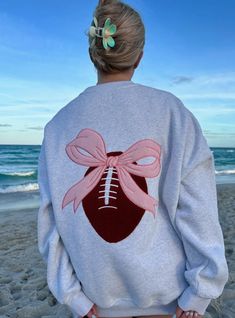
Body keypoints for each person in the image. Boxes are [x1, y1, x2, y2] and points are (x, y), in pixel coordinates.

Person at [37, 0, 229, 318]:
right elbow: (198, 210)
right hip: (173, 302)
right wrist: (201, 290)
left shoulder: (58, 125)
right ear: (139, 56)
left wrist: (73, 297)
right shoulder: (172, 113)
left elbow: (50, 224)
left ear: (92, 53)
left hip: (94, 301)